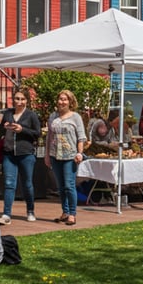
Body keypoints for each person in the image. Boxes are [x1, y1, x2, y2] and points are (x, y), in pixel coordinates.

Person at [0, 88, 41, 225]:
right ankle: (6, 214)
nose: (19, 102)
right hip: (9, 153)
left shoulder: (31, 115)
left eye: (22, 99)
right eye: (17, 99)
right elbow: (0, 132)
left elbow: (37, 133)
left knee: (27, 184)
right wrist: (5, 127)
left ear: (27, 100)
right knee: (9, 183)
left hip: (26, 153)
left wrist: (22, 130)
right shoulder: (8, 113)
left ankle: (30, 210)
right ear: (13, 99)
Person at [46, 89, 86, 226]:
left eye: (65, 99)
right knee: (61, 187)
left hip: (70, 156)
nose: (62, 102)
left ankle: (72, 214)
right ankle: (65, 211)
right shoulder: (52, 117)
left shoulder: (76, 117)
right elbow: (49, 137)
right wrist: (47, 155)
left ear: (70, 102)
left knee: (69, 186)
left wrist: (80, 153)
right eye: (60, 99)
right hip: (55, 155)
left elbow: (81, 137)